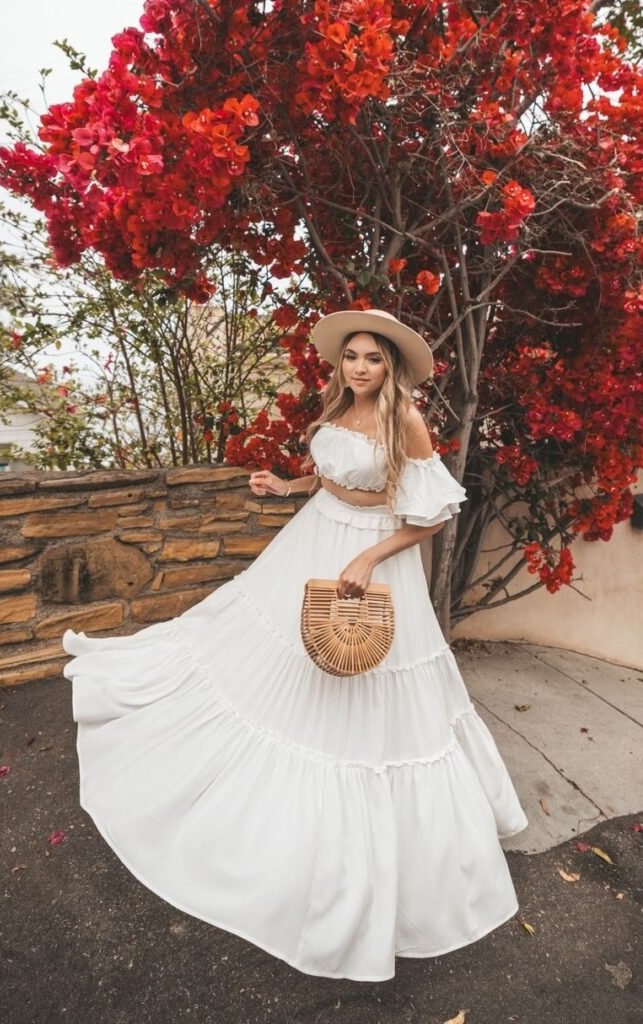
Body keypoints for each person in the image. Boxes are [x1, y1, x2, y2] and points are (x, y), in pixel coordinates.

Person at [62, 308, 529, 983]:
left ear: (391, 367)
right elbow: (338, 475)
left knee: (368, 681)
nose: (359, 368)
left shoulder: (406, 421)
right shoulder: (339, 404)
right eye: (351, 357)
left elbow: (427, 516)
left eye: (372, 358)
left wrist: (371, 559)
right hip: (312, 534)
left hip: (370, 554)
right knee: (266, 655)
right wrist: (287, 484)